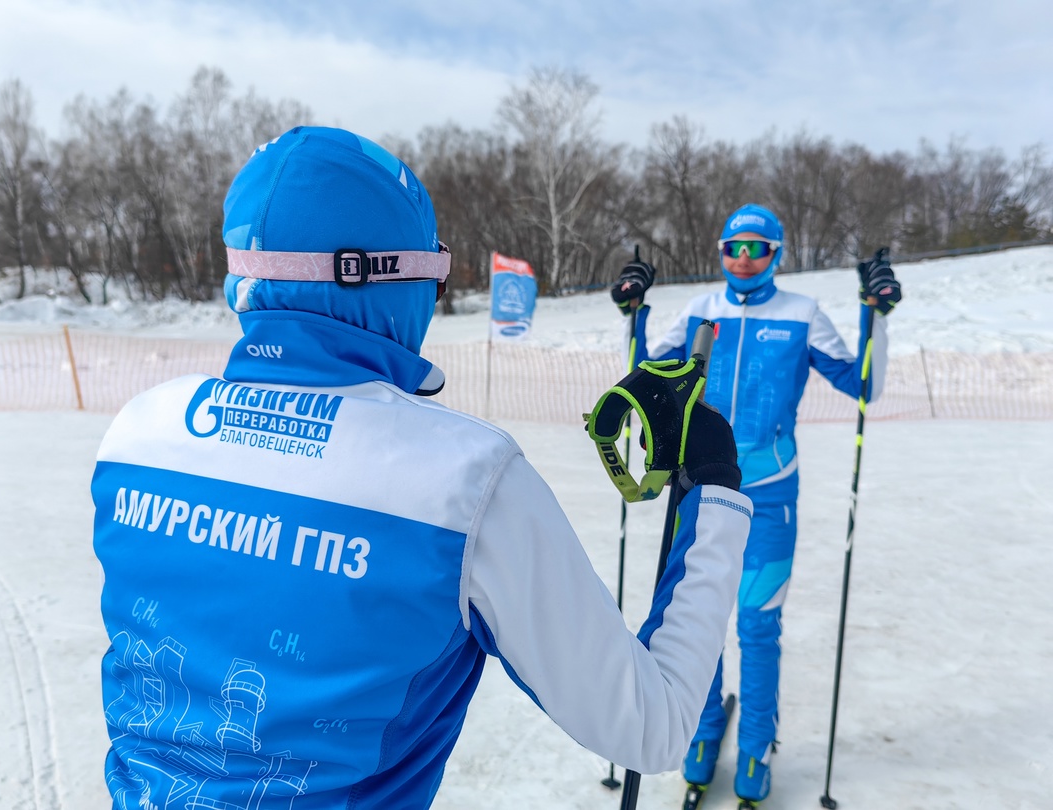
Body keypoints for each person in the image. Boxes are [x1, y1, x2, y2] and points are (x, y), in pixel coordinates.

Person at [91, 126, 753, 810]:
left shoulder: (138, 431)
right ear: (386, 279)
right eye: (434, 274)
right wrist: (714, 485)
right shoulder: (464, 480)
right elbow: (654, 726)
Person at [611, 203, 901, 806]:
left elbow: (862, 384)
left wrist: (874, 313)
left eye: (757, 248)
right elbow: (644, 372)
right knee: (700, 623)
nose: (743, 258)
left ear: (777, 254)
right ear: (720, 252)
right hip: (701, 489)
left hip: (770, 492)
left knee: (757, 624)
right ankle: (703, 730)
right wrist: (633, 312)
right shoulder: (701, 311)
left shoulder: (802, 313)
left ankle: (756, 746)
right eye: (732, 247)